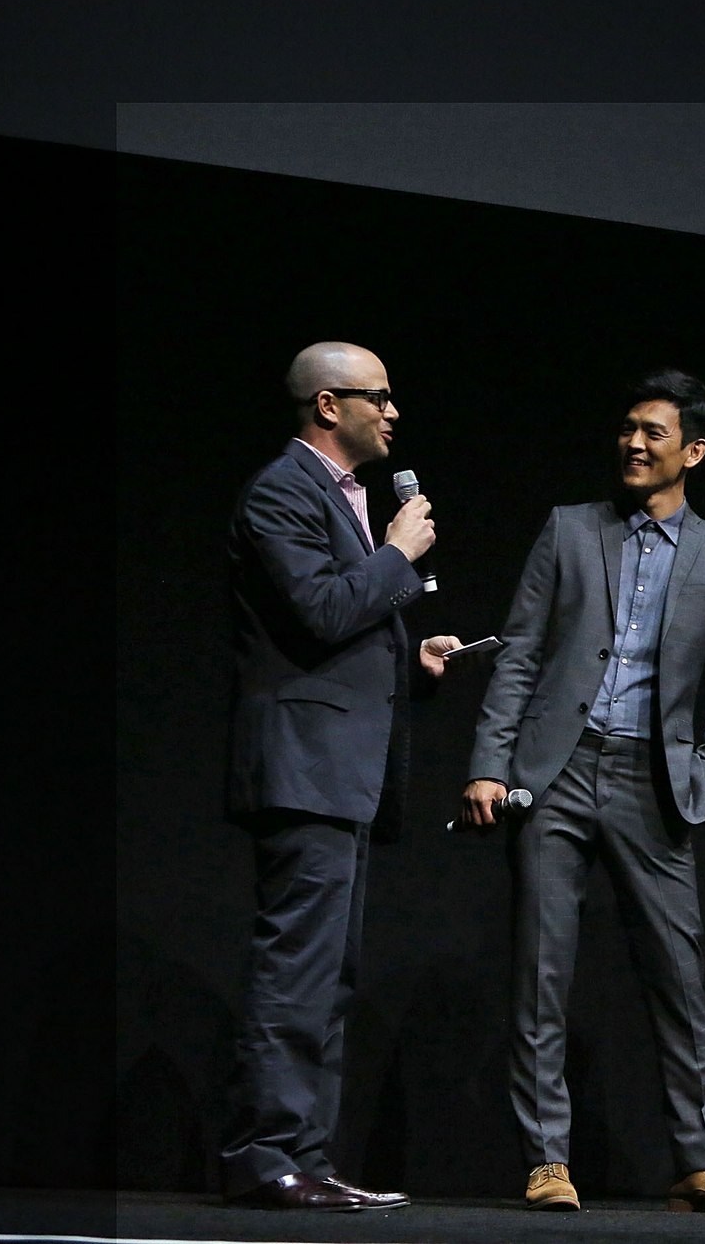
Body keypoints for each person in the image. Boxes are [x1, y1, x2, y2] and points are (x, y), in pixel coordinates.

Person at [459, 368, 705, 1215]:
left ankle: (701, 1162)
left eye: (652, 432)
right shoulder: (570, 529)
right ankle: (546, 1160)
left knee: (678, 975)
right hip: (554, 772)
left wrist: (703, 778)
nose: (633, 443)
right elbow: (520, 652)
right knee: (542, 970)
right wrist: (490, 761)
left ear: (693, 451)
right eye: (627, 428)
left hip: (652, 779)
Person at [221, 341, 461, 1210]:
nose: (393, 412)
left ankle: (305, 1156)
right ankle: (265, 1154)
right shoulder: (282, 491)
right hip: (304, 768)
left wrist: (410, 658)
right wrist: (397, 554)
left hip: (340, 772)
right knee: (297, 969)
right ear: (329, 405)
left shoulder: (340, 493)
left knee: (328, 976)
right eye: (378, 396)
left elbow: (340, 625)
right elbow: (321, 611)